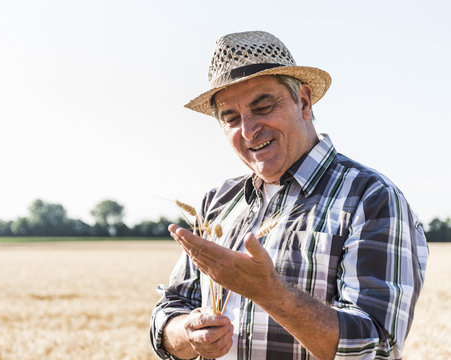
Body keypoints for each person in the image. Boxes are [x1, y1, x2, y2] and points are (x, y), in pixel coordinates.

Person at [150, 31, 428, 360]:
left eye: (263, 107)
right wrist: (188, 332)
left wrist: (270, 293)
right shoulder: (217, 202)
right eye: (231, 119)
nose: (249, 130)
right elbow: (167, 315)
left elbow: (377, 348)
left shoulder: (370, 198)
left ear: (305, 102)